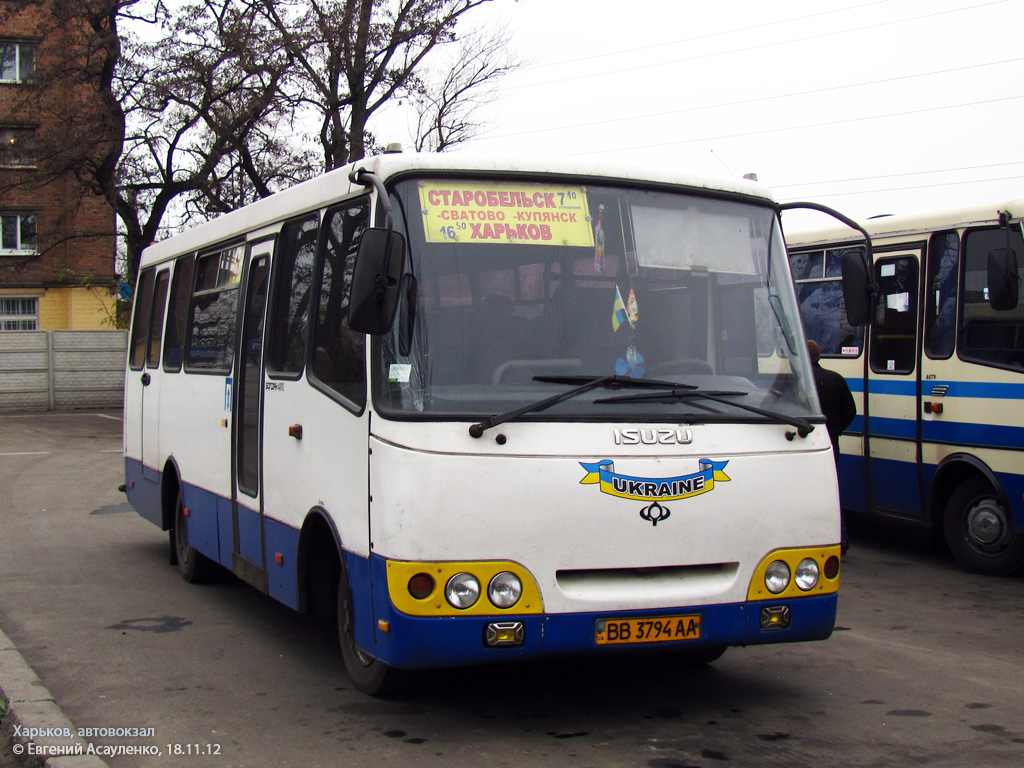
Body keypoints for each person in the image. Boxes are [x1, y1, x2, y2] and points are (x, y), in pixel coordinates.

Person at [808, 340, 857, 554]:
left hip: (802, 443)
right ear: (819, 356)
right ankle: (841, 538)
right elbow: (850, 410)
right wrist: (835, 430)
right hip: (829, 442)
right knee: (831, 491)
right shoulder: (835, 379)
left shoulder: (798, 381)